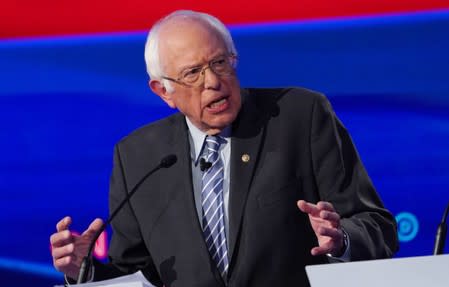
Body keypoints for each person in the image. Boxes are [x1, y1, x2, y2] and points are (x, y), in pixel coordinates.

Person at [50, 10, 398, 287]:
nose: (213, 82)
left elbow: (377, 226)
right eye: (192, 73)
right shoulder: (137, 157)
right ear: (162, 91)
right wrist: (85, 271)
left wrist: (342, 240)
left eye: (220, 63)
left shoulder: (300, 116)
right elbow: (138, 275)